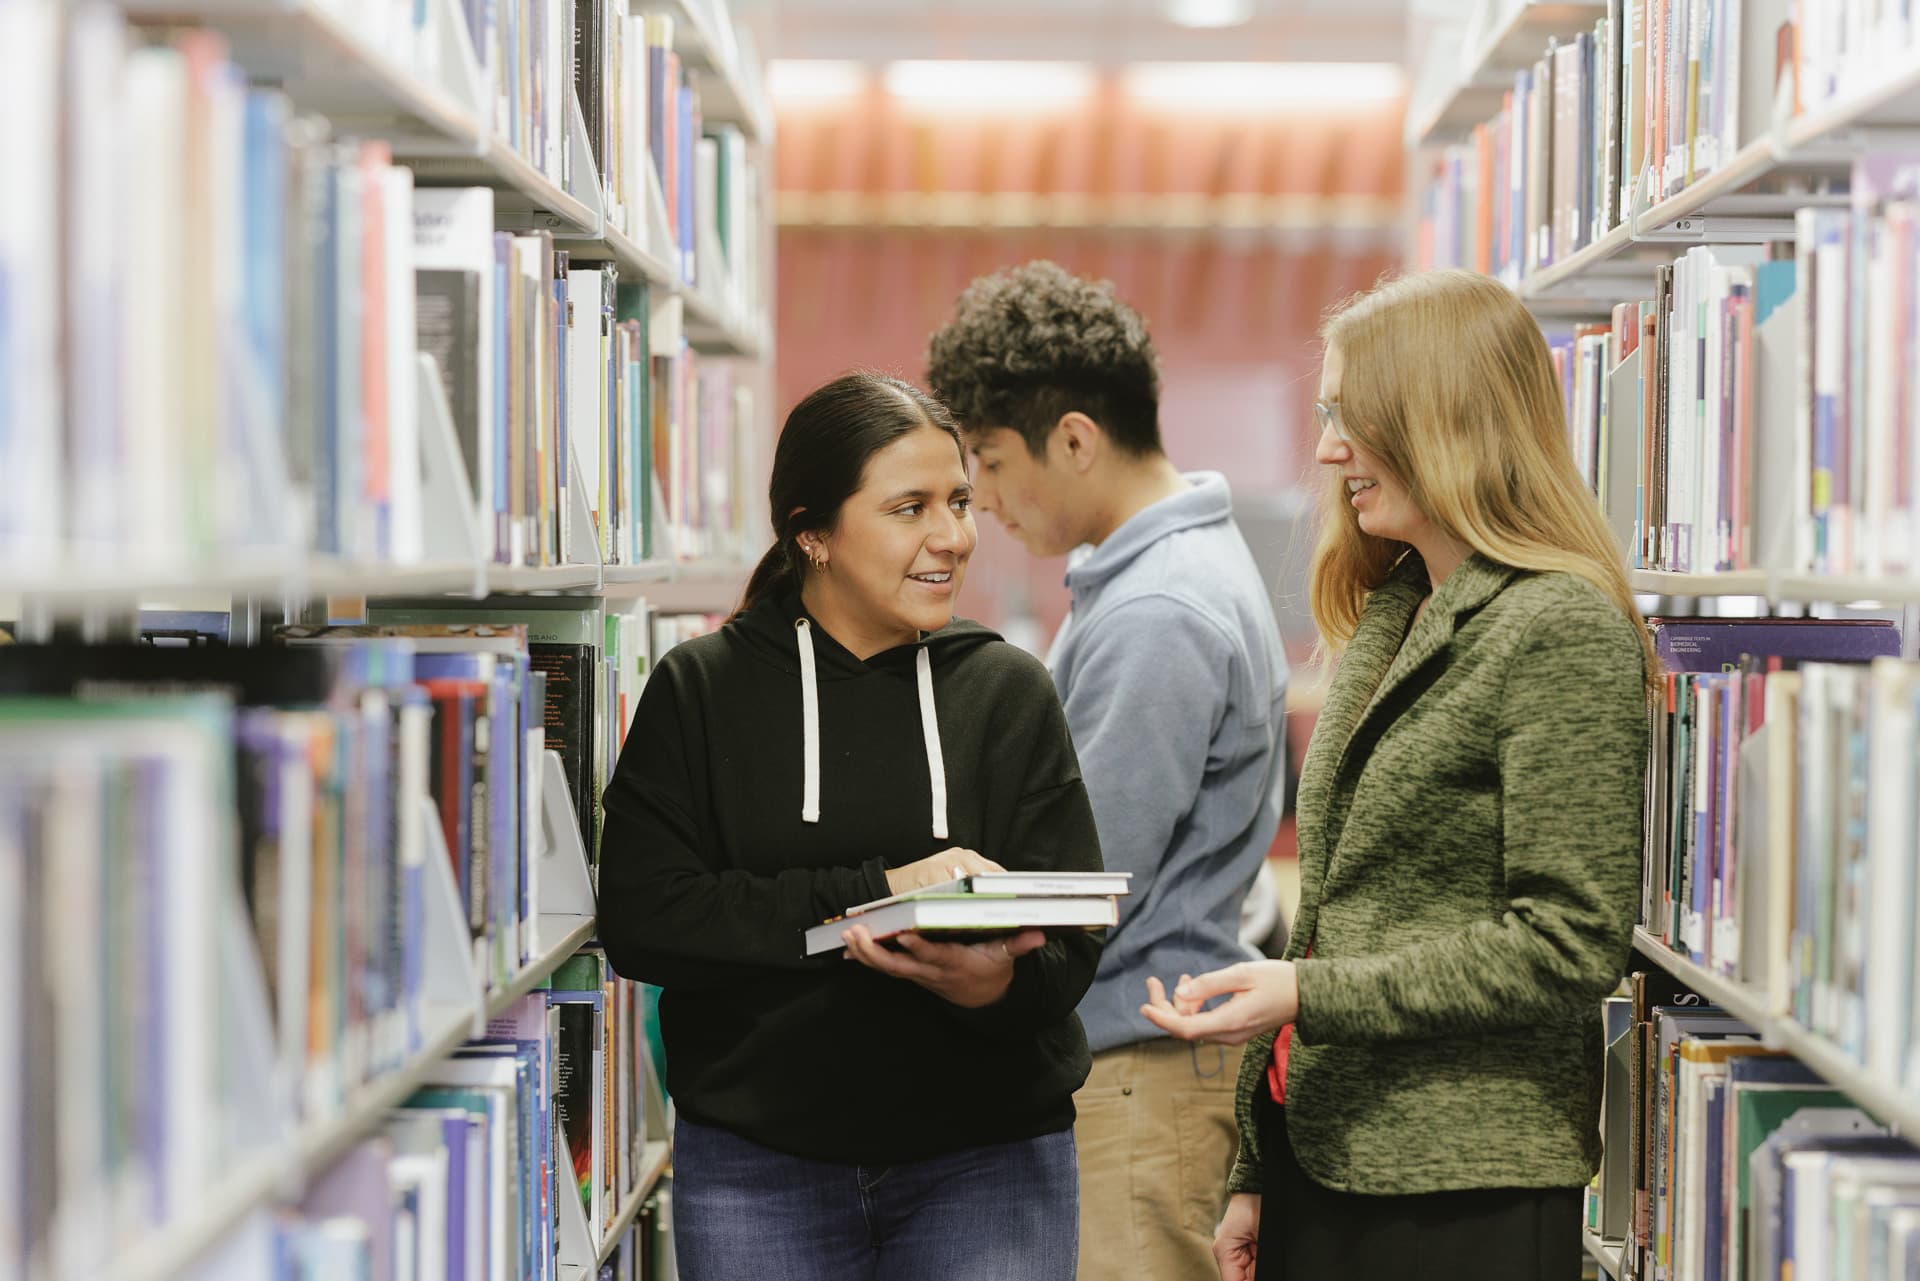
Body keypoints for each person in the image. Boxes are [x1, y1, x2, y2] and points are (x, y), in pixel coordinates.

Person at [1139, 268, 1654, 1281]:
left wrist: (1308, 994)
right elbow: (1335, 908)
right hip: (1325, 1161)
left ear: (1444, 420)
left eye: (1351, 417)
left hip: (1458, 1188)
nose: (1329, 449)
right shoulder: (1398, 605)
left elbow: (1570, 940)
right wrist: (1257, 1162)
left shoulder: (1558, 629)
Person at [595, 372, 1103, 1281]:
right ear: (812, 533)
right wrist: (878, 895)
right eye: (908, 508)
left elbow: (1070, 946)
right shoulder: (703, 690)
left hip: (989, 1164)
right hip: (758, 1173)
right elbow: (645, 918)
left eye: (957, 500)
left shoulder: (1007, 690)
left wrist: (990, 986)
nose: (951, 536)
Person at [926, 261, 1289, 1281]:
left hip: (1140, 1073)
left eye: (991, 465)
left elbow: (1086, 876)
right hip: (1142, 1063)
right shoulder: (1151, 581)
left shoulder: (1155, 612)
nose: (981, 502)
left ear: (1075, 440)